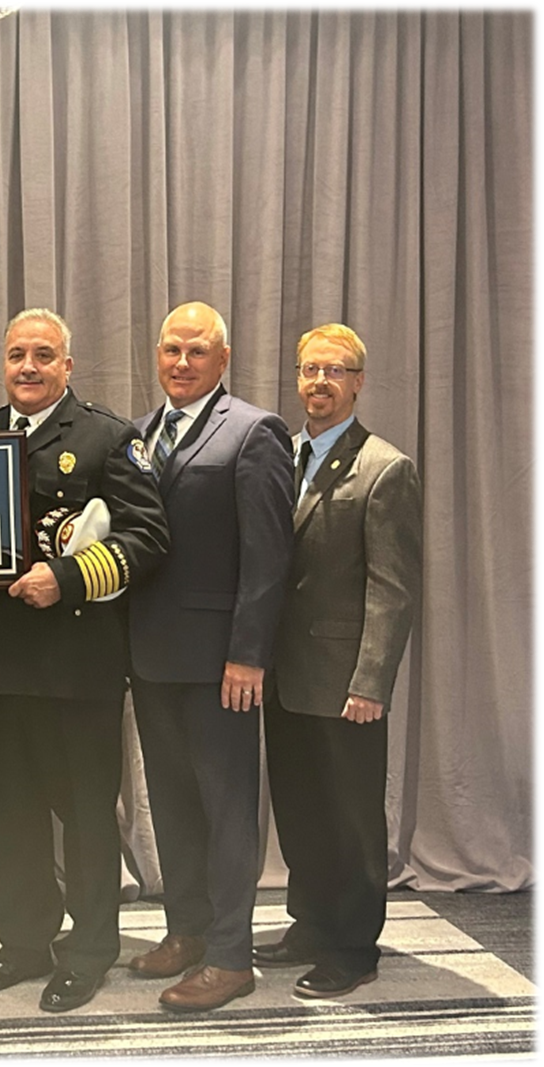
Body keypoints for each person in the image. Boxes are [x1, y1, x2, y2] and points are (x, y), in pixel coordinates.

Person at [0, 309, 170, 1013]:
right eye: (16, 353)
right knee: (10, 812)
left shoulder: (108, 437)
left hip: (79, 666)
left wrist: (69, 578)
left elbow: (147, 539)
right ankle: (21, 941)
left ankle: (89, 948)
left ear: (67, 367)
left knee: (82, 813)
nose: (27, 366)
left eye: (42, 355)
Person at [127, 301, 294, 1012]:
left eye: (196, 351)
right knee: (170, 805)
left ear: (221, 360)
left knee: (226, 809)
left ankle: (230, 954)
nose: (181, 362)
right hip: (150, 655)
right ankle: (185, 931)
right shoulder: (139, 434)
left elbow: (268, 555)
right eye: (170, 349)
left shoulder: (254, 432)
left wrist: (248, 654)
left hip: (221, 663)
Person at [255, 324, 422, 998]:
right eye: (307, 368)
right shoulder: (278, 455)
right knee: (299, 807)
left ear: (358, 381)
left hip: (345, 681)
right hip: (282, 675)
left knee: (350, 812)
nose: (318, 381)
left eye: (334, 369)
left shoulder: (385, 467)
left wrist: (371, 680)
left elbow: (392, 588)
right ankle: (311, 921)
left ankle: (353, 945)